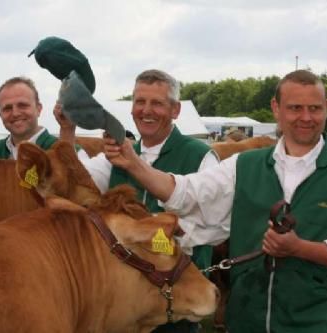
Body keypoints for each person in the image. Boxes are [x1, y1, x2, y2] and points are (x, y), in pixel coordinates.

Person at [103, 70, 327, 333]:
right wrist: (134, 163)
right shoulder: (243, 166)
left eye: (314, 108)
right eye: (294, 108)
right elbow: (189, 193)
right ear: (276, 108)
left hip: (318, 323)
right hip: (246, 320)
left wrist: (300, 248)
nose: (305, 117)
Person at [57, 69, 219, 333]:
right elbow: (72, 187)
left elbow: (209, 227)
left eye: (157, 103)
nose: (146, 110)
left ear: (176, 110)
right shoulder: (117, 156)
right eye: (140, 102)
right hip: (124, 305)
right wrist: (67, 130)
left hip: (175, 301)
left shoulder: (201, 157)